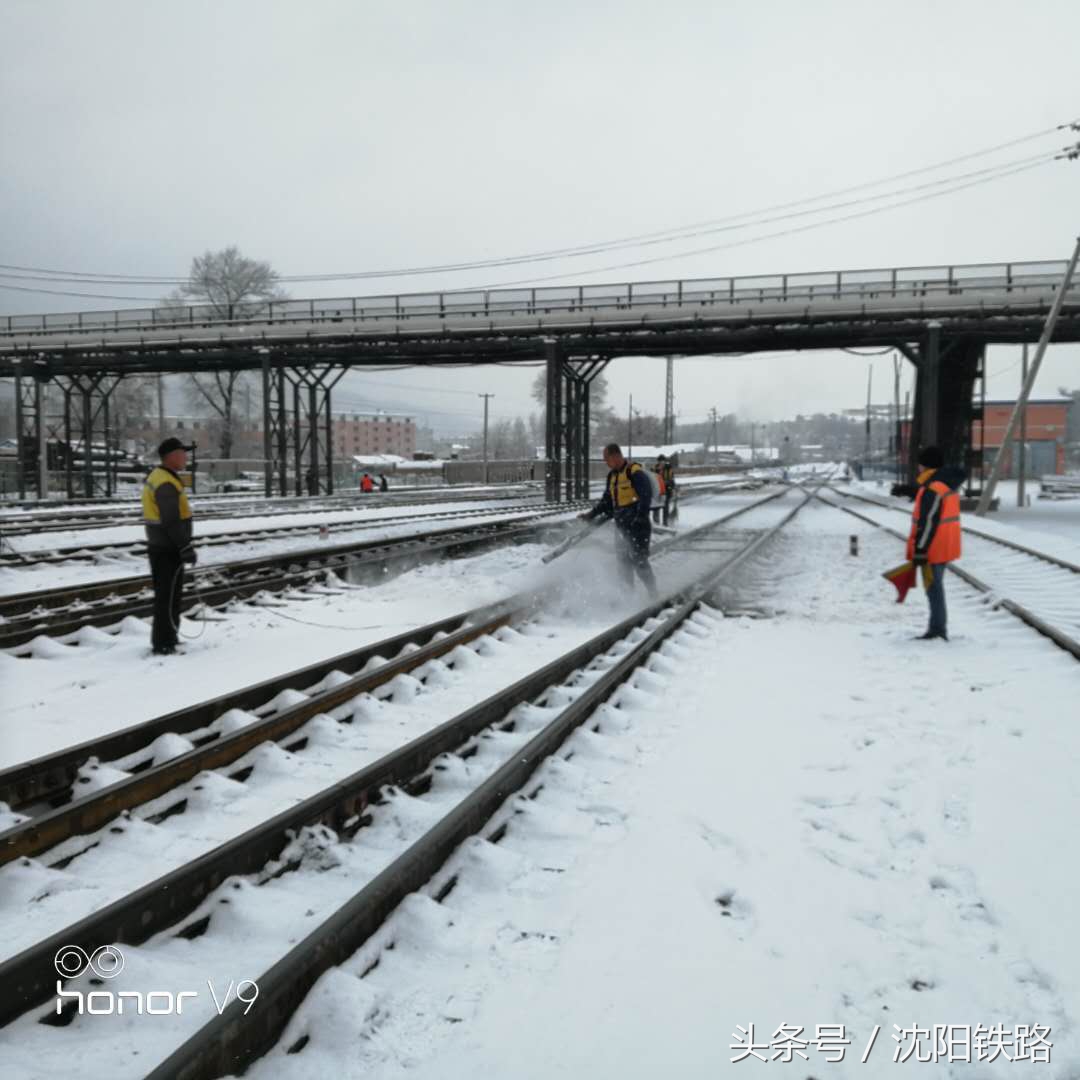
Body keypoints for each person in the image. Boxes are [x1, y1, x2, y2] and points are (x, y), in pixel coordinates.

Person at [581, 443, 658, 599]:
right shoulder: (612, 476)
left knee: (639, 561)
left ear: (615, 456)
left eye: (606, 459)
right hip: (622, 527)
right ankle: (628, 598)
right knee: (623, 563)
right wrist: (591, 514)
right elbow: (607, 501)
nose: (605, 462)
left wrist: (639, 518)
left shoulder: (634, 473)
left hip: (638, 526)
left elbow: (645, 496)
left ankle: (653, 594)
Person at [904, 445, 964, 641]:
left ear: (926, 466)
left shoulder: (933, 488)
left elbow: (928, 521)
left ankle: (938, 629)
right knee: (935, 587)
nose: (918, 468)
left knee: (934, 589)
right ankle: (937, 627)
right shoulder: (945, 484)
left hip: (933, 548)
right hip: (945, 544)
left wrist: (920, 549)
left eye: (920, 464)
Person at [142, 437, 196, 656]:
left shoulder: (163, 477)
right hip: (167, 548)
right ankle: (163, 643)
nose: (186, 457)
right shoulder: (165, 482)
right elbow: (171, 520)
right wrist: (185, 547)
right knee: (167, 597)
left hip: (163, 546)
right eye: (183, 453)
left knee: (169, 596)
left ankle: (169, 637)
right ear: (172, 456)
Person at [651, 455, 676, 527]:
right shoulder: (655, 469)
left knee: (665, 507)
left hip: (666, 491)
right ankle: (656, 523)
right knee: (656, 507)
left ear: (665, 462)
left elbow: (672, 480)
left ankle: (665, 523)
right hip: (657, 491)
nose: (661, 463)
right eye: (660, 461)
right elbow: (652, 479)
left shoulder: (668, 469)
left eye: (662, 461)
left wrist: (667, 484)